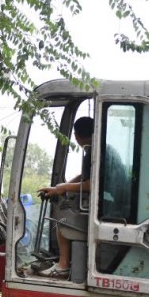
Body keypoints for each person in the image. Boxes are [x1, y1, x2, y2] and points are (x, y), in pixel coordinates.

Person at [37, 117, 94, 278]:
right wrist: (59, 188)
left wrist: (64, 187)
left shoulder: (91, 152)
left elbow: (90, 184)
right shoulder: (97, 149)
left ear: (76, 136)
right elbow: (85, 176)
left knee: (63, 223)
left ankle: (63, 265)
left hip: (106, 208)